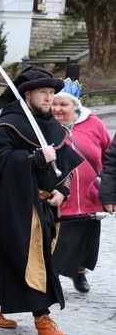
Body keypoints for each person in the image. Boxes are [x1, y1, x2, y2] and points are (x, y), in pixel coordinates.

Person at [0, 66, 82, 335]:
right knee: (34, 261)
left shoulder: (53, 127)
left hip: (44, 204)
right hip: (15, 205)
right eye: (43, 93)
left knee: (7, 255)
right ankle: (42, 318)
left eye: (51, 92)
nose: (49, 98)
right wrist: (33, 158)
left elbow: (65, 167)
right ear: (27, 94)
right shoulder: (8, 126)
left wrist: (62, 190)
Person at [52, 79, 111, 294]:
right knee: (58, 238)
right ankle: (53, 275)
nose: (57, 109)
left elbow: (109, 156)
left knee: (87, 240)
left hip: (89, 195)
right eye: (54, 104)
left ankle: (80, 271)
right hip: (59, 195)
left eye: (63, 105)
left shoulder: (94, 124)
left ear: (75, 106)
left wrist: (109, 191)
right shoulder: (45, 126)